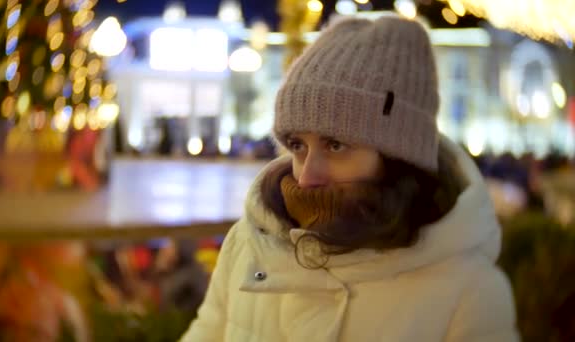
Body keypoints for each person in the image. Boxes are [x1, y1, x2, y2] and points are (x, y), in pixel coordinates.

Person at [181, 15, 518, 341]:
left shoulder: (469, 293)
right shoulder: (248, 244)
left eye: (335, 145)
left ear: (396, 159)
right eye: (297, 145)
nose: (307, 176)